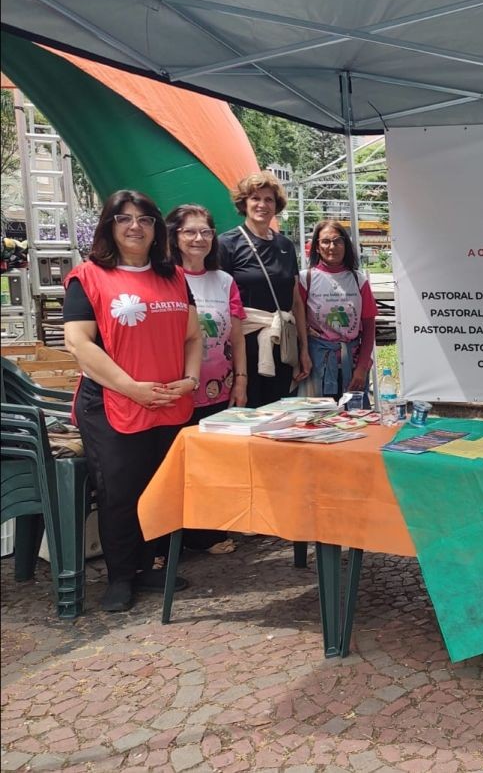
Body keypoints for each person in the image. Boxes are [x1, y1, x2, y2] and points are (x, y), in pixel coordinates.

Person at [63, 190, 202, 612]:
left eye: (144, 219)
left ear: (157, 228)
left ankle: (148, 565)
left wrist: (191, 378)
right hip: (111, 404)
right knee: (120, 492)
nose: (135, 226)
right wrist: (131, 387)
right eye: (124, 218)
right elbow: (78, 343)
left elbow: (193, 335)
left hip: (166, 401)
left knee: (157, 487)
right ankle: (120, 576)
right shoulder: (87, 277)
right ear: (110, 225)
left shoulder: (174, 276)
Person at [166, 203, 246, 555]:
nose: (199, 239)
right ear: (175, 237)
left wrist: (241, 380)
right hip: (176, 389)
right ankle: (167, 540)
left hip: (218, 388)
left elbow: (237, 336)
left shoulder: (224, 280)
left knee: (212, 465)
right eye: (190, 231)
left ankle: (206, 533)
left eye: (206, 232)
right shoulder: (164, 278)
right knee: (173, 465)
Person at [217, 171, 310, 407]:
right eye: (255, 198)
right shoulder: (227, 244)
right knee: (246, 410)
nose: (262, 205)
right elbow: (221, 301)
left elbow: (296, 300)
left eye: (268, 199)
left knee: (279, 410)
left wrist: (304, 349)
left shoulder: (285, 246)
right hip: (244, 343)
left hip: (282, 341)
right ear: (244, 203)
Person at [297, 220, 378, 400]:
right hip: (318, 365)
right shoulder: (305, 279)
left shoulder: (359, 280)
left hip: (353, 363)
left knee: (354, 420)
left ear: (345, 245)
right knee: (318, 420)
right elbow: (298, 322)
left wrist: (362, 367)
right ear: (317, 247)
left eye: (337, 241)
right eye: (325, 241)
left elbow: (369, 325)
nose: (332, 247)